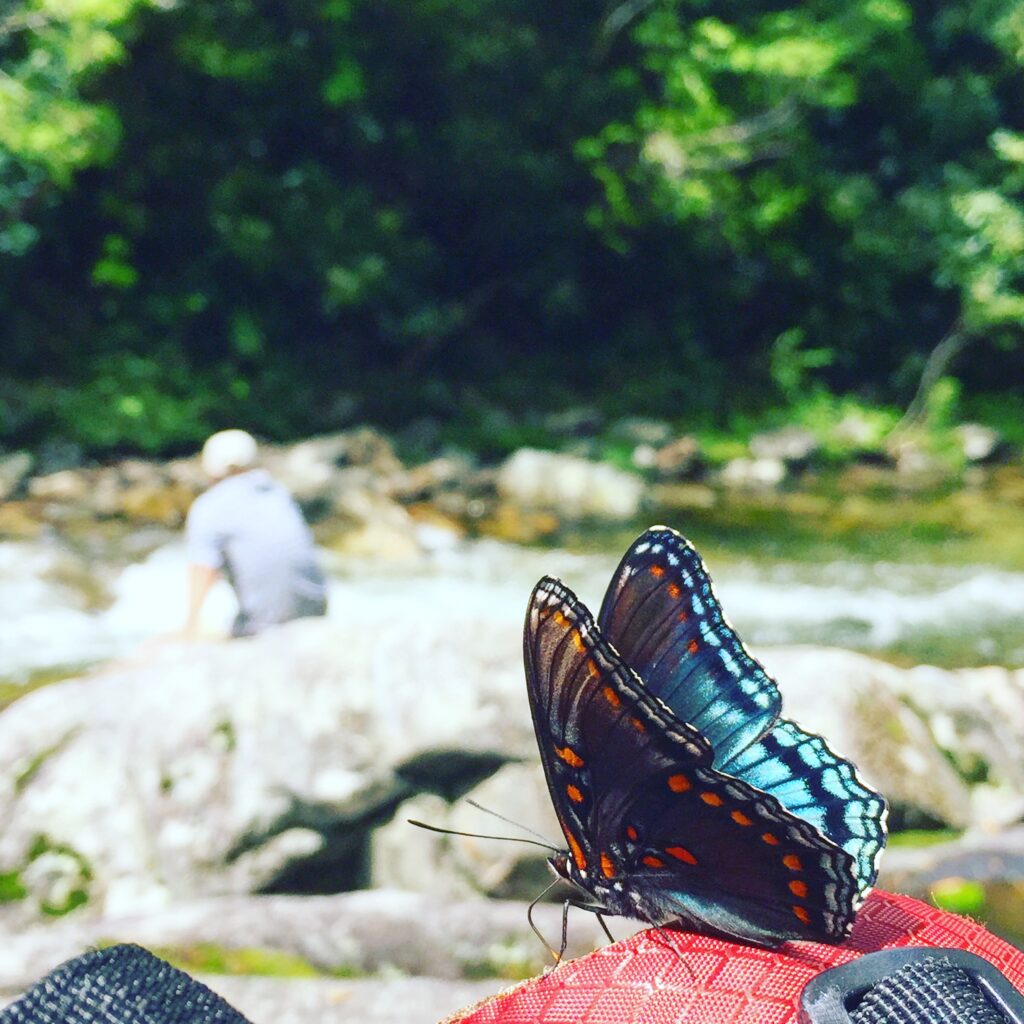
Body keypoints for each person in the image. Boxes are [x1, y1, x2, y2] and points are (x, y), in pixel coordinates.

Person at [182, 429, 327, 638]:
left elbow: (202, 568)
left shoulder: (210, 505)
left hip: (263, 625)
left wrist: (190, 624)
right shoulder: (277, 492)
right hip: (315, 615)